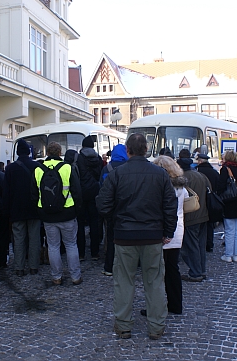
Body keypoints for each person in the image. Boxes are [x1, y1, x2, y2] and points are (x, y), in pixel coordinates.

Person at [96, 133, 178, 340]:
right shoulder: (160, 174)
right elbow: (170, 205)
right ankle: (156, 326)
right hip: (152, 236)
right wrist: (168, 231)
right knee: (154, 281)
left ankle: (123, 326)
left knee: (124, 281)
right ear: (146, 150)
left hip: (125, 235)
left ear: (128, 150)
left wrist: (117, 218)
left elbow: (103, 205)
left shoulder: (117, 174)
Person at [32, 142, 83, 285]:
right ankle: (75, 276)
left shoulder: (38, 169)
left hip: (47, 214)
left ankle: (56, 277)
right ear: (60, 152)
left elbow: (33, 194)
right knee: (71, 245)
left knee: (53, 246)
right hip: (67, 213)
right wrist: (76, 210)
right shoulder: (67, 168)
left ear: (47, 153)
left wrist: (40, 211)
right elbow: (77, 192)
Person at [153, 155, 187, 314]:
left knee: (158, 271)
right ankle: (175, 303)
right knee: (173, 269)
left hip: (164, 231)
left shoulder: (162, 188)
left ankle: (158, 305)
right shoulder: (181, 188)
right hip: (178, 230)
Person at [3, 139, 41, 276]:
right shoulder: (36, 166)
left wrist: (7, 211)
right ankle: (33, 266)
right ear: (29, 152)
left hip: (16, 208)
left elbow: (6, 192)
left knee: (18, 239)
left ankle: (19, 267)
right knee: (34, 238)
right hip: (34, 208)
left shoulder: (10, 168)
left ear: (18, 153)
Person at [177, 149, 211, 282]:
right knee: (200, 245)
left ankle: (195, 272)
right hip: (203, 214)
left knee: (190, 246)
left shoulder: (181, 179)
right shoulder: (201, 176)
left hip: (190, 216)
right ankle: (201, 270)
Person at [99, 144, 128, 276]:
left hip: (111, 207)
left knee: (111, 238)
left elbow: (101, 187)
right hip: (127, 207)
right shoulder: (130, 167)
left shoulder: (107, 168)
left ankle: (109, 267)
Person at [76, 135, 103, 261]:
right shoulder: (98, 158)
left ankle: (81, 253)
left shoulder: (78, 158)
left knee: (80, 224)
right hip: (95, 193)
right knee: (94, 222)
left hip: (81, 194)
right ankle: (95, 252)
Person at [217, 151, 237, 262]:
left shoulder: (225, 170)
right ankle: (236, 255)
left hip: (228, 202)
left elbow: (221, 186)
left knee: (229, 230)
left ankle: (228, 255)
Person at [196, 153, 220, 252]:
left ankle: (199, 244)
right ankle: (209, 244)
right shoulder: (214, 172)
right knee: (210, 224)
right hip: (211, 201)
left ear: (200, 161)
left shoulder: (197, 172)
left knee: (199, 224)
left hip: (199, 200)